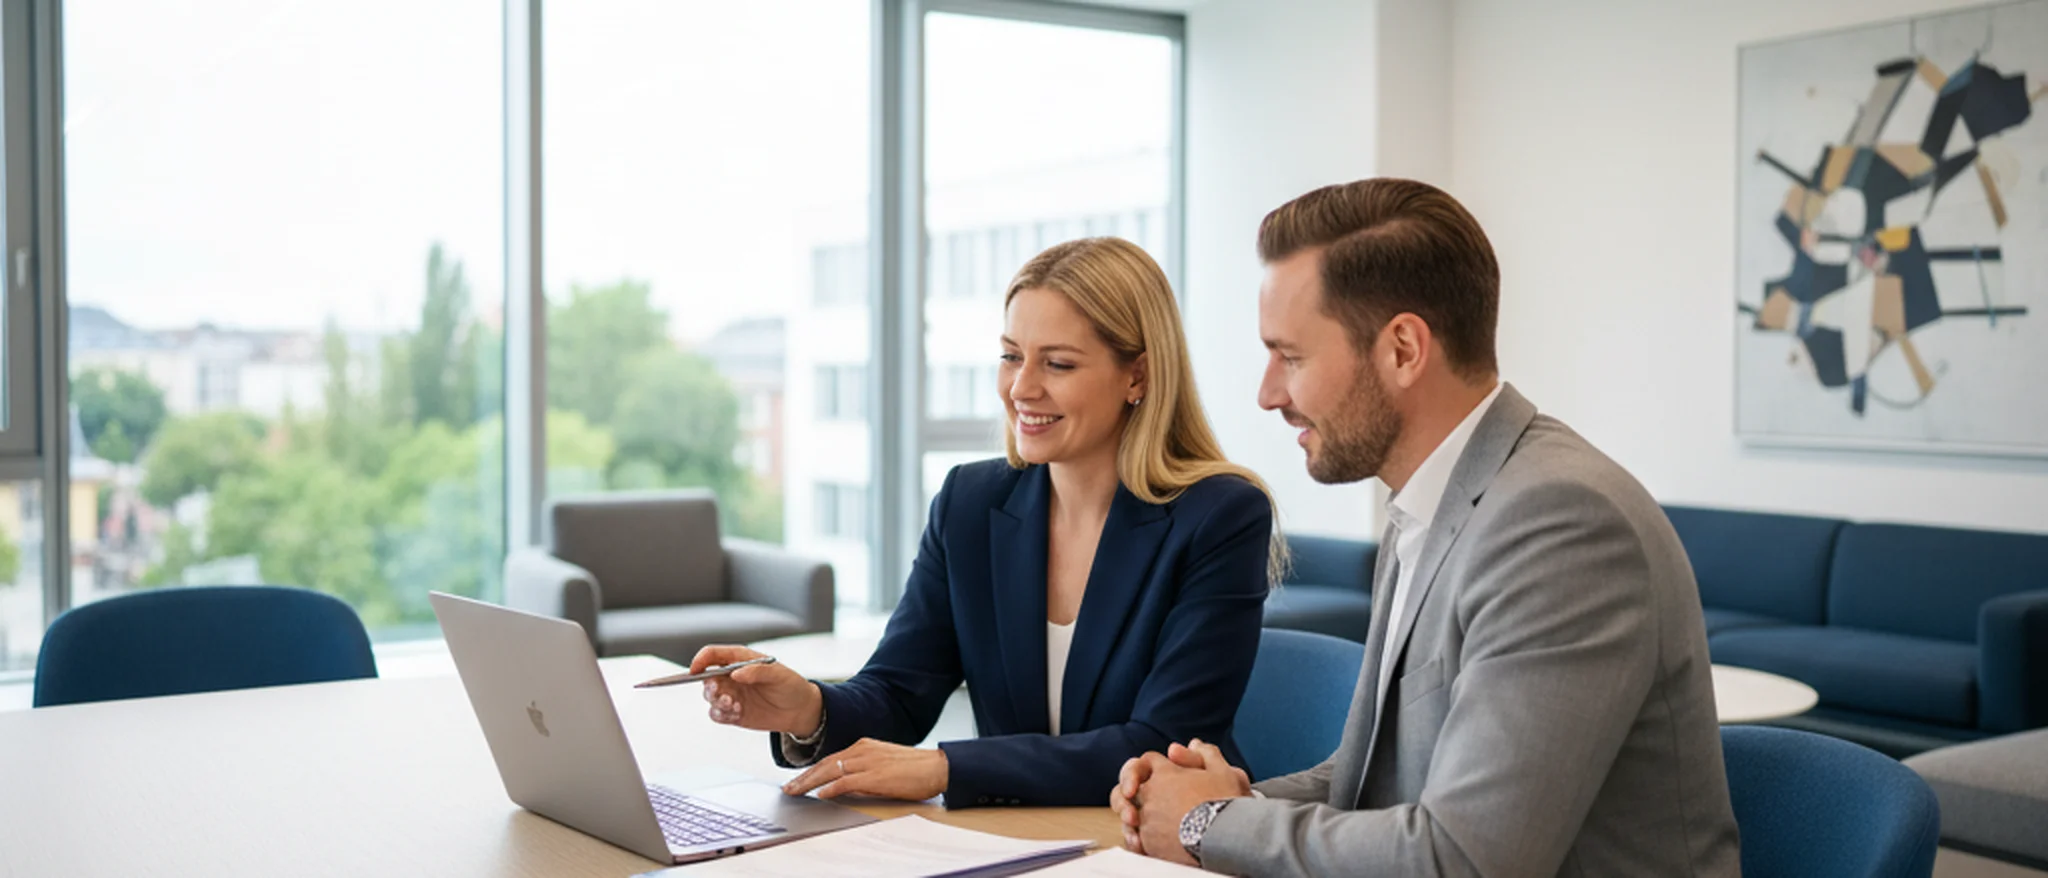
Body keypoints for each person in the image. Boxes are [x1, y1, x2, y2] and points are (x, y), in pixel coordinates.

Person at [1112, 179, 1741, 876]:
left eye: (1290, 357)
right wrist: (1206, 802)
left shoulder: (1560, 524)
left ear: (1404, 350)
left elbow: (1466, 859)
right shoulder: (1431, 504)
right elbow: (1377, 781)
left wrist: (1211, 823)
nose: (1269, 394)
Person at [689, 236, 1282, 809]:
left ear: (1138, 376)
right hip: (1012, 839)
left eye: (1058, 363)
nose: (1021, 387)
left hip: (1151, 844)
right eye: (1011, 356)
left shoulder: (1220, 516)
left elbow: (1160, 742)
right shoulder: (969, 503)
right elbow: (900, 692)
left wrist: (948, 767)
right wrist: (809, 710)